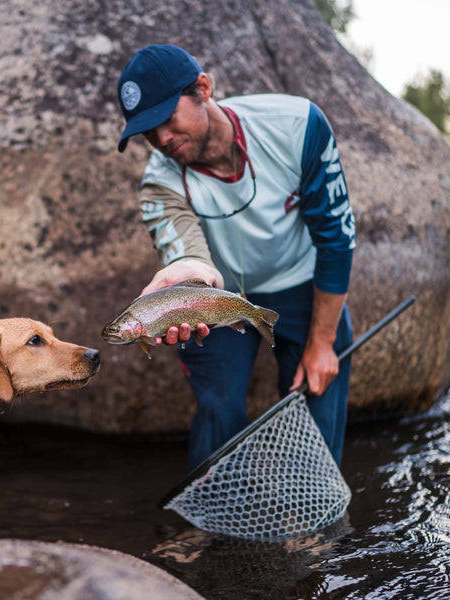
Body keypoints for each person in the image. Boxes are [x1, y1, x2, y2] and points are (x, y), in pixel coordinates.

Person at [116, 44, 355, 471]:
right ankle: (210, 519)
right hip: (214, 298)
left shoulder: (297, 125)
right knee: (218, 406)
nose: (161, 140)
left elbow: (336, 238)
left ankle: (310, 533)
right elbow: (188, 254)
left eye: (166, 120)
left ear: (203, 89)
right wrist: (190, 273)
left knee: (317, 392)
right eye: (147, 132)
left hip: (303, 284)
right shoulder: (158, 183)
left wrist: (321, 343)